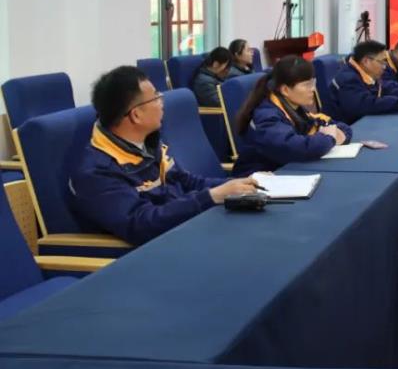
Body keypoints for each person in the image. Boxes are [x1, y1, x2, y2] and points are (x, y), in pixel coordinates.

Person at [69, 66, 259, 245]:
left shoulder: (148, 143)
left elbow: (187, 181)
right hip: (155, 250)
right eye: (155, 98)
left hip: (186, 228)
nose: (162, 103)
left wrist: (238, 184)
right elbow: (140, 224)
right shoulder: (97, 172)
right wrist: (210, 197)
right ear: (136, 115)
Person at [231, 56, 352, 177]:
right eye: (307, 85)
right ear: (285, 90)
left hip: (284, 171)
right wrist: (330, 137)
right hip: (255, 179)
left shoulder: (294, 108)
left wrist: (339, 133)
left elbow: (334, 125)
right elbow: (296, 148)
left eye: (313, 83)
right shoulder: (266, 115)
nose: (313, 89)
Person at [329, 40, 398, 124]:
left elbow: (384, 89)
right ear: (366, 61)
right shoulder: (348, 79)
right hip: (347, 128)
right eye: (382, 62)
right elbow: (366, 104)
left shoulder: (365, 74)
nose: (384, 67)